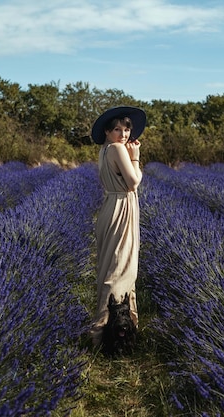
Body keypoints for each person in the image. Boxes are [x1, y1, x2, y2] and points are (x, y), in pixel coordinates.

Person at [89, 105, 146, 347]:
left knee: (113, 266)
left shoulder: (104, 151)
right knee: (120, 271)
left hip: (111, 206)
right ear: (107, 132)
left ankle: (125, 330)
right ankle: (102, 334)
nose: (122, 135)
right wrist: (135, 158)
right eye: (116, 129)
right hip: (122, 207)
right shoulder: (117, 149)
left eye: (126, 129)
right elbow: (133, 182)